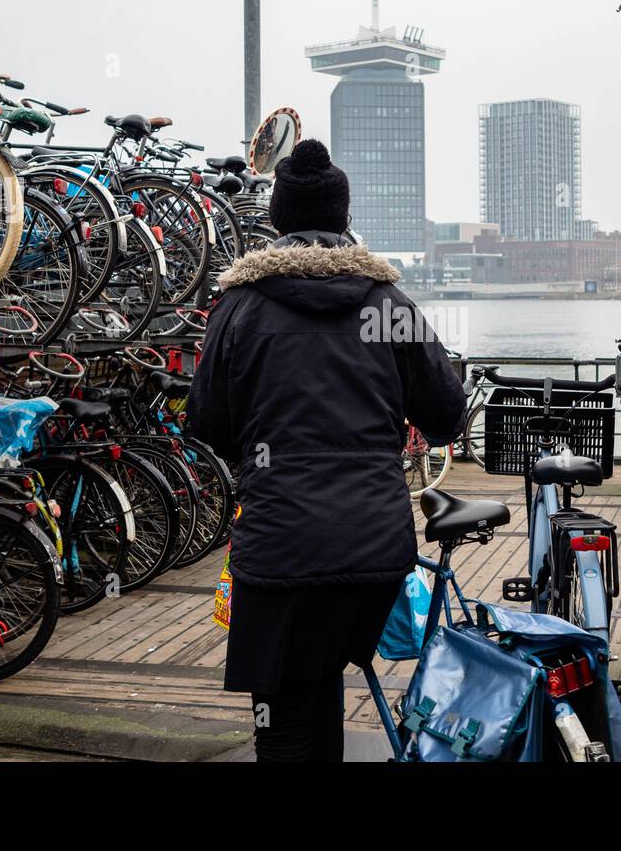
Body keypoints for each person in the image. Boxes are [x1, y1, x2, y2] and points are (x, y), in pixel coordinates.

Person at [185, 139, 466, 762]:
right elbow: (446, 417)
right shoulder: (389, 306)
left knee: (283, 708)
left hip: (278, 543)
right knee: (326, 673)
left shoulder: (238, 308)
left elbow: (205, 421)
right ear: (343, 220)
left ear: (277, 220)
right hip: (373, 545)